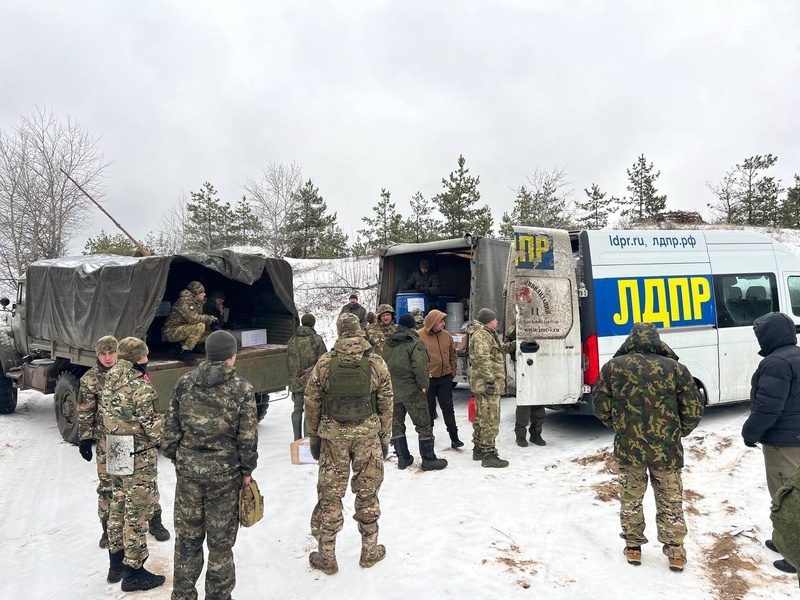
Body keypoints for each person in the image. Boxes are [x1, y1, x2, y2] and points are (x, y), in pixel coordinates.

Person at [593, 322, 704, 572]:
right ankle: (675, 551)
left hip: (629, 448)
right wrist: (678, 432)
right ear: (656, 340)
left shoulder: (613, 368)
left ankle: (633, 547)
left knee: (631, 497)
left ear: (631, 340)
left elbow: (599, 403)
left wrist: (620, 427)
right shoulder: (676, 369)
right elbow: (693, 408)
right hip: (667, 449)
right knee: (670, 498)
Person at [162, 329, 259, 600]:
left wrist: (177, 458)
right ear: (232, 356)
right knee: (220, 544)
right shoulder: (242, 389)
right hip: (225, 477)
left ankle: (182, 595)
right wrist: (247, 471)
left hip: (189, 475)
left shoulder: (184, 383)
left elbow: (170, 429)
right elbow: (248, 437)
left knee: (187, 539)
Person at [304, 313, 393, 575]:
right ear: (359, 330)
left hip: (333, 438)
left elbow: (312, 402)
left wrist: (314, 437)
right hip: (368, 436)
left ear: (339, 331)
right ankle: (369, 551)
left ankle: (327, 557)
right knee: (368, 493)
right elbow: (387, 402)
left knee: (330, 495)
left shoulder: (324, 363)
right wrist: (384, 437)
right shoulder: (376, 361)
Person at [78, 336, 170, 550]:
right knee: (111, 488)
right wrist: (85, 438)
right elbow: (85, 411)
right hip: (109, 442)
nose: (108, 358)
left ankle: (154, 521)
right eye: (104, 354)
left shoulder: (131, 376)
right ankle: (109, 531)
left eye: (112, 353)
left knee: (144, 486)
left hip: (131, 442)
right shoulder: (92, 379)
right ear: (97, 355)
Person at [100, 336, 166, 591]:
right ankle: (134, 572)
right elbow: (154, 430)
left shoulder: (110, 379)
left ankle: (115, 564)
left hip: (115, 448)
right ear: (139, 357)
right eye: (145, 356)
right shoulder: (141, 387)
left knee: (117, 504)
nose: (147, 360)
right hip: (138, 454)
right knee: (137, 512)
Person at [742, 311, 800, 575]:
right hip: (794, 438)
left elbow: (768, 408)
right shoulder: (796, 356)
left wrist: (750, 432)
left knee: (787, 499)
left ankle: (794, 554)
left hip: (783, 443)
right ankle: (783, 540)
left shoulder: (776, 363)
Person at [384, 314, 448, 471]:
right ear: (413, 326)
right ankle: (428, 459)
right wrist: (424, 385)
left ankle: (403, 458)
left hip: (393, 389)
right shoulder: (415, 343)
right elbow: (420, 367)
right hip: (412, 389)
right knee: (423, 423)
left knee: (397, 424)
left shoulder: (388, 342)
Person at [469, 308, 515, 468]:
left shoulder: (486, 334)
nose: (497, 322)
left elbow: (497, 350)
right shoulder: (482, 335)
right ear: (489, 320)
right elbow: (483, 359)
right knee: (490, 418)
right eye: (495, 319)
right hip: (488, 385)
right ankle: (489, 453)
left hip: (484, 383)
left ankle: (479, 448)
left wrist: (514, 345)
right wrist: (490, 380)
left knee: (481, 416)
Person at [419, 309, 464, 449]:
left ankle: (454, 437)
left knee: (448, 408)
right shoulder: (419, 335)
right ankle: (428, 438)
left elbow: (452, 354)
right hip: (428, 379)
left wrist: (452, 371)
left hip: (445, 378)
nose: (444, 324)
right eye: (441, 321)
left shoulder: (447, 336)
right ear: (433, 322)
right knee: (429, 410)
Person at [287, 313, 327, 440]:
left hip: (295, 380)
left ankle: (296, 439)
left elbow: (288, 361)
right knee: (309, 412)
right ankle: (307, 440)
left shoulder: (292, 340)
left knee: (297, 409)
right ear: (313, 323)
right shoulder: (316, 339)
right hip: (311, 381)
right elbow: (323, 361)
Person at [163, 281, 220, 363]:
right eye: (202, 292)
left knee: (211, 332)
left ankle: (182, 346)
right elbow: (193, 319)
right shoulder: (185, 301)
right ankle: (185, 351)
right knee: (200, 326)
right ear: (196, 293)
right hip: (172, 331)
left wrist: (213, 322)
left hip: (183, 329)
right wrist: (210, 318)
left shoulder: (197, 302)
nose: (204, 294)